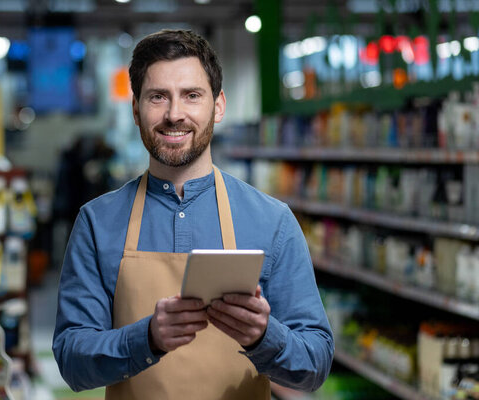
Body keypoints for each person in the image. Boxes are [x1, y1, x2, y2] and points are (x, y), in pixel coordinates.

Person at [53, 29, 334, 399]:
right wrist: (147, 338)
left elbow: (315, 365)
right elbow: (73, 361)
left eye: (191, 96)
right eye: (158, 97)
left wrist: (265, 336)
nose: (174, 114)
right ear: (135, 109)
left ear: (218, 106)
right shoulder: (97, 222)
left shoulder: (273, 222)